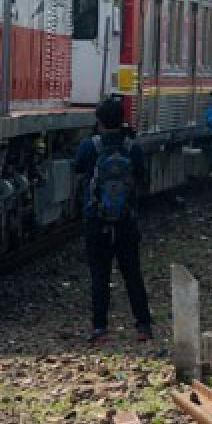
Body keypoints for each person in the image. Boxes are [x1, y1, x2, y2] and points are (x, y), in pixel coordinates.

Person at [73, 98, 153, 344]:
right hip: (127, 219)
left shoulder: (90, 146)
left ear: (98, 121)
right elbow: (143, 179)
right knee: (132, 273)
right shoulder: (133, 148)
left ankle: (100, 328)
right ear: (122, 119)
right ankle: (143, 326)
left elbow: (77, 168)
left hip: (96, 220)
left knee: (100, 275)